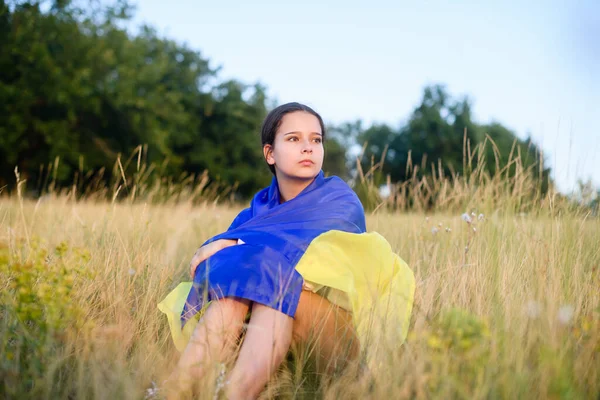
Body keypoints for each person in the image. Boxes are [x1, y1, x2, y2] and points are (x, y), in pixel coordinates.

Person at [158, 102, 414, 400]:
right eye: (294, 139)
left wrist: (234, 244)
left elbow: (244, 258)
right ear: (270, 153)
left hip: (336, 344)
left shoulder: (339, 202)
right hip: (272, 340)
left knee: (271, 278)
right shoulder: (254, 215)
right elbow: (208, 272)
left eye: (315, 140)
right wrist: (237, 251)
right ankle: (173, 393)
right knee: (236, 293)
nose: (308, 148)